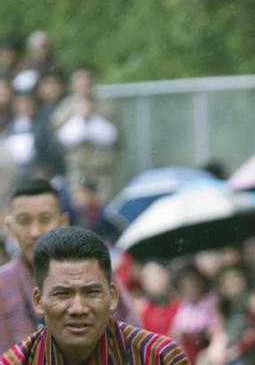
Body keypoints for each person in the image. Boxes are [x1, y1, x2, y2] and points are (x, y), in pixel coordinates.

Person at [0, 226, 188, 364]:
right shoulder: (15, 363)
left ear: (113, 296)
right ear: (38, 301)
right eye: (63, 294)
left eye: (91, 292)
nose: (78, 308)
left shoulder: (158, 357)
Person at [0, 179, 140, 351]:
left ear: (63, 221)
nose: (34, 232)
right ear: (10, 227)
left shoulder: (94, 271)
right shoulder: (2, 284)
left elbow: (133, 338)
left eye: (45, 220)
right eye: (24, 221)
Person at [51, 64, 120, 200]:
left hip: (103, 168)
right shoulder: (65, 108)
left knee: (103, 208)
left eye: (87, 80)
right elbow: (57, 137)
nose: (83, 84)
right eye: (79, 80)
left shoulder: (107, 106)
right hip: (78, 168)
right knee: (79, 208)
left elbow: (117, 137)